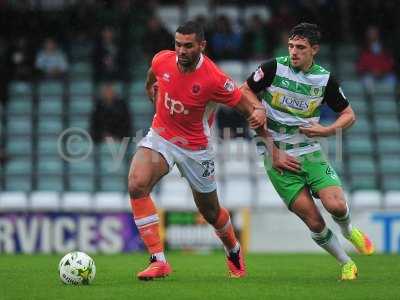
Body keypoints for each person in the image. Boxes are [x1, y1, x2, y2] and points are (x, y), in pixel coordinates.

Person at [128, 21, 266, 280]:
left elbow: (244, 105)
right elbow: (152, 73)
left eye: (188, 45)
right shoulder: (163, 60)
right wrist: (150, 87)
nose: (181, 51)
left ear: (201, 46)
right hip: (161, 136)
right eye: (178, 44)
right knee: (137, 183)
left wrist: (263, 126)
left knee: (210, 212)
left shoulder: (214, 79)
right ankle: (158, 260)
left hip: (196, 149)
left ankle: (233, 248)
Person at [240, 23, 374, 281]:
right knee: (314, 221)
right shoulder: (272, 68)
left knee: (336, 205)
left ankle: (348, 231)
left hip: (309, 150)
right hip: (275, 152)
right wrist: (258, 109)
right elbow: (244, 91)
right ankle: (347, 263)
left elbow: (349, 115)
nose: (294, 52)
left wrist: (327, 131)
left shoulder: (324, 79)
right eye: (291, 46)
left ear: (314, 50)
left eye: (300, 48)